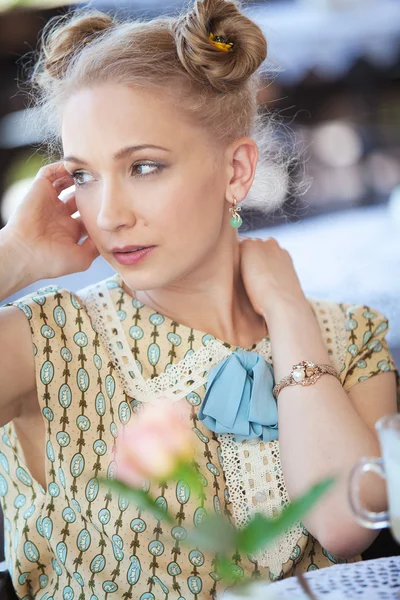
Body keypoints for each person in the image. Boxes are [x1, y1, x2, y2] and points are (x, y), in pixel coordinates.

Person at [0, 0, 398, 598]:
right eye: (83, 175)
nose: (108, 215)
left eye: (144, 167)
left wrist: (289, 314)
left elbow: (345, 526)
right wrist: (15, 257)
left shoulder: (352, 336)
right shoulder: (42, 340)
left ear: (237, 171)